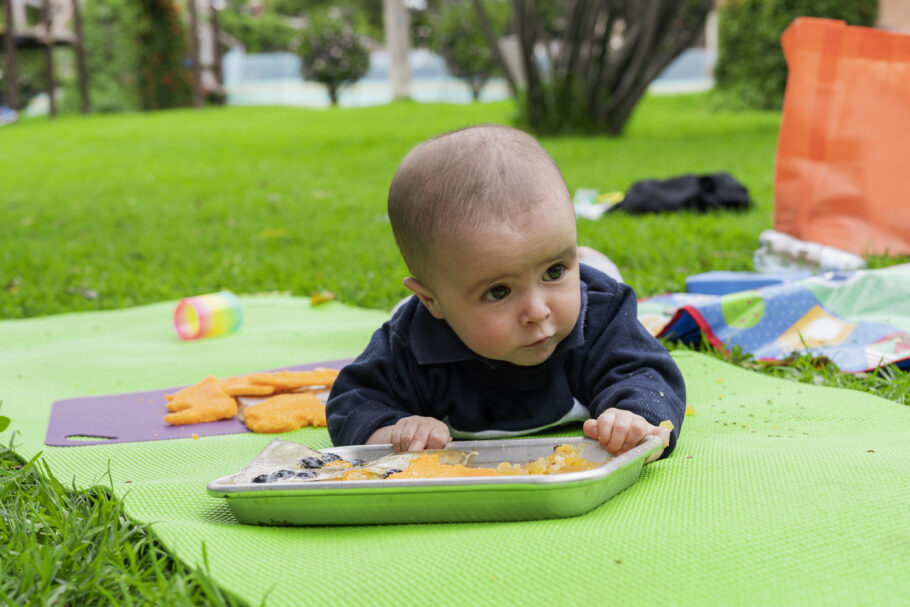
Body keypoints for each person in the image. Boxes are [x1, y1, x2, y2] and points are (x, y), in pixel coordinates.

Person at [326, 124, 686, 460]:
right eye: (498, 292)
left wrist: (634, 418)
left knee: (598, 279)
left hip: (591, 288)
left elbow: (646, 375)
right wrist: (394, 430)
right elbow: (352, 403)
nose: (537, 311)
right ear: (431, 301)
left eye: (554, 271)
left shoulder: (600, 316)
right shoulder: (413, 343)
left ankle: (590, 263)